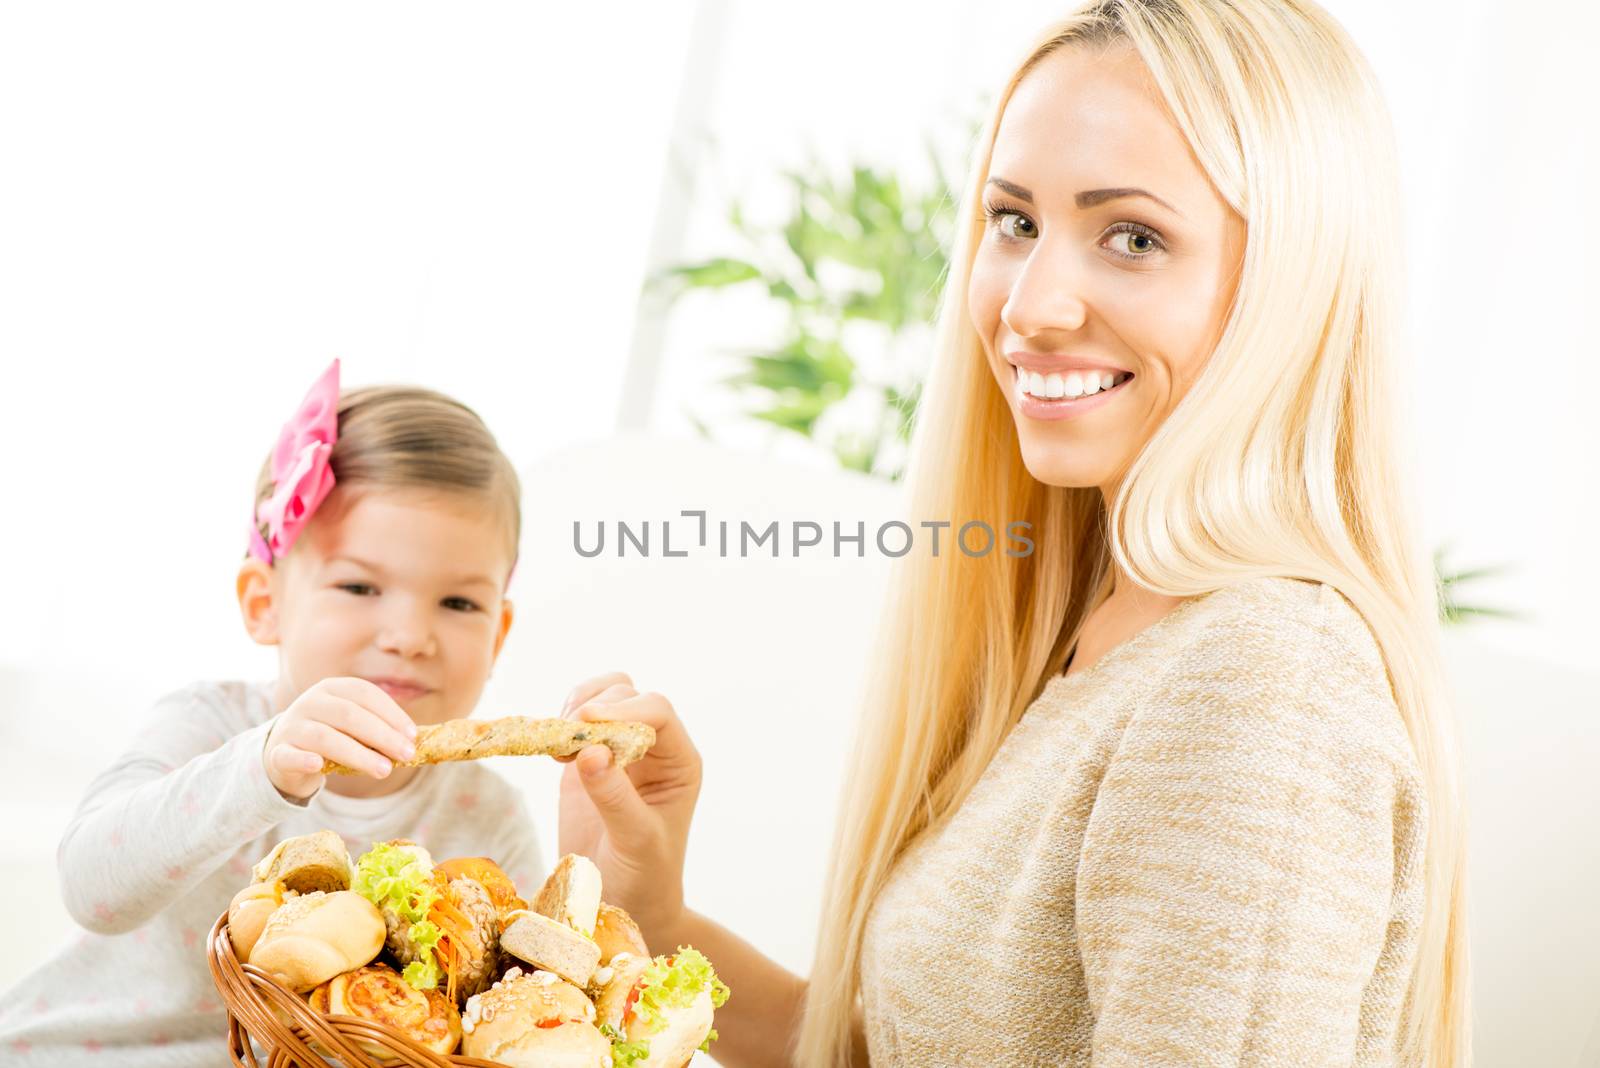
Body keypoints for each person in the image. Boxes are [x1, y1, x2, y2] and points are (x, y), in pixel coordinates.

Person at [554, 1, 1470, 1065]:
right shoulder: (1109, 627)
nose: (1029, 307)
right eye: (1015, 222)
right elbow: (892, 1049)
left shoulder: (1258, 684)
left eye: (1132, 237)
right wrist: (652, 921)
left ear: (1293, 287)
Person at [0, 360, 548, 1064]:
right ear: (265, 604)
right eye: (359, 586)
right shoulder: (210, 726)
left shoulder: (488, 814)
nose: (411, 636)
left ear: (498, 634)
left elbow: (505, 1021)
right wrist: (260, 771)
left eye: (459, 603)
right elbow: (90, 889)